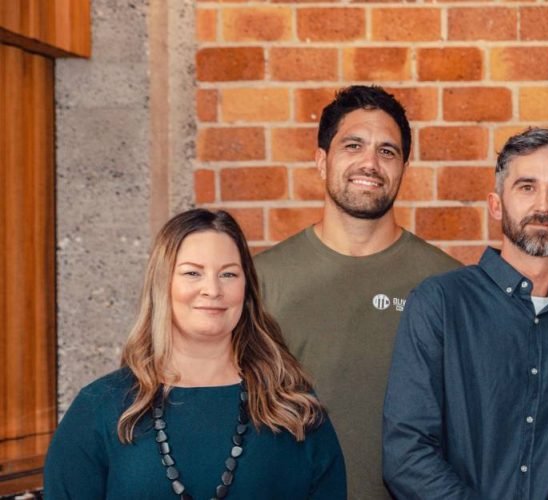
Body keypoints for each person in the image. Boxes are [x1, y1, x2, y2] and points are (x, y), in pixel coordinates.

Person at [383, 128, 548, 499]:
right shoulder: (441, 304)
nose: (543, 205)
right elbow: (407, 453)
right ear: (496, 205)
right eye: (526, 187)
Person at [44, 208, 346, 499]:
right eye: (192, 273)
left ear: (247, 289)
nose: (212, 289)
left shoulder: (294, 407)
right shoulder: (100, 409)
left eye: (228, 274)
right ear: (162, 285)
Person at [255, 85, 459, 500]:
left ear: (404, 166)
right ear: (321, 160)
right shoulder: (261, 280)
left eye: (388, 151)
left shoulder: (448, 284)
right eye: (353, 145)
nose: (370, 162)